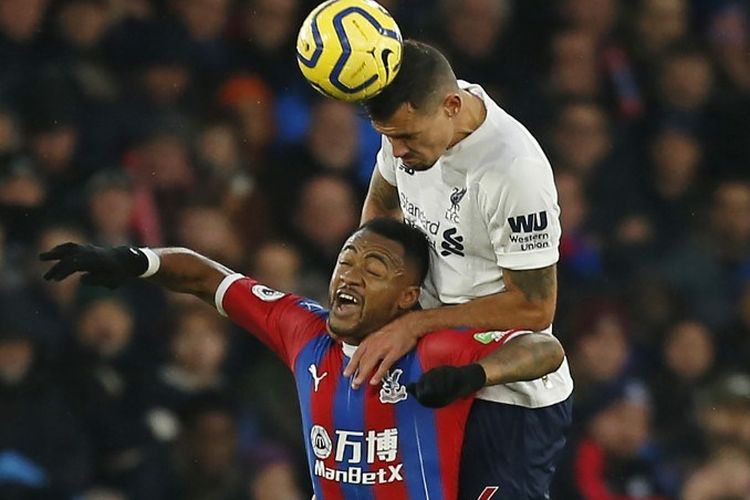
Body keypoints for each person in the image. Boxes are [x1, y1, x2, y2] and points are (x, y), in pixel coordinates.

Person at [39, 217, 564, 499]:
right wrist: (135, 260)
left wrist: (475, 374)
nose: (351, 274)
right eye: (346, 259)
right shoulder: (303, 331)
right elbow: (206, 276)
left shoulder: (433, 348)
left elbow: (544, 347)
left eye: (375, 267)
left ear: (408, 297)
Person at [348, 40, 575, 498]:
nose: (397, 150)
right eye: (387, 137)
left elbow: (534, 308)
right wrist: (379, 298)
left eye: (407, 137)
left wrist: (414, 324)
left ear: (452, 106)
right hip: (429, 374)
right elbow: (382, 207)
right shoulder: (413, 120)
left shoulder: (514, 172)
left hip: (502, 393)